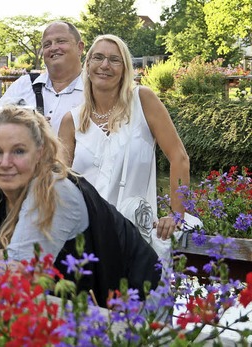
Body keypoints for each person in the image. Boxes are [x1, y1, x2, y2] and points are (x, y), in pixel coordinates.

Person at [0, 106, 160, 304]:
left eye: (19, 151)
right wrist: (3, 258)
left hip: (136, 305)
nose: (5, 163)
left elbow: (19, 275)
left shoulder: (54, 190)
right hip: (65, 304)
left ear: (39, 153)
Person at [58, 34, 190, 246]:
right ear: (88, 64)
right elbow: (60, 183)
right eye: (98, 57)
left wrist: (176, 215)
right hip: (86, 238)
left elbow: (179, 158)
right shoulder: (71, 121)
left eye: (114, 59)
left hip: (135, 237)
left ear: (125, 68)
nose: (105, 65)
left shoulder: (143, 101)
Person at [0, 21, 84, 135]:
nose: (53, 48)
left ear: (80, 48)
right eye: (47, 44)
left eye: (61, 41)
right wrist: (21, 122)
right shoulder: (24, 84)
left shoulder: (94, 90)